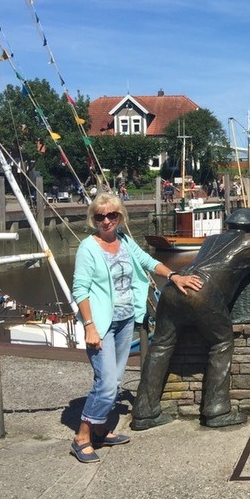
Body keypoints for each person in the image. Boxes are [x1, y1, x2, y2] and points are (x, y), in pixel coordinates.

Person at [71, 192, 201, 463]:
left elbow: (148, 262)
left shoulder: (125, 242)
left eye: (111, 215)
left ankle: (99, 429)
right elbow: (80, 290)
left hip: (125, 319)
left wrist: (175, 276)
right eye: (100, 216)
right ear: (93, 219)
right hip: (101, 324)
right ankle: (82, 436)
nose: (106, 221)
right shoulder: (88, 248)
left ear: (120, 217)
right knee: (105, 384)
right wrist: (89, 327)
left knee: (115, 380)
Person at [132, 208, 250, 430]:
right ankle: (216, 410)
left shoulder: (212, 239)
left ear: (227, 226)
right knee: (222, 342)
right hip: (201, 292)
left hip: (174, 287)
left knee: (160, 346)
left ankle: (144, 412)